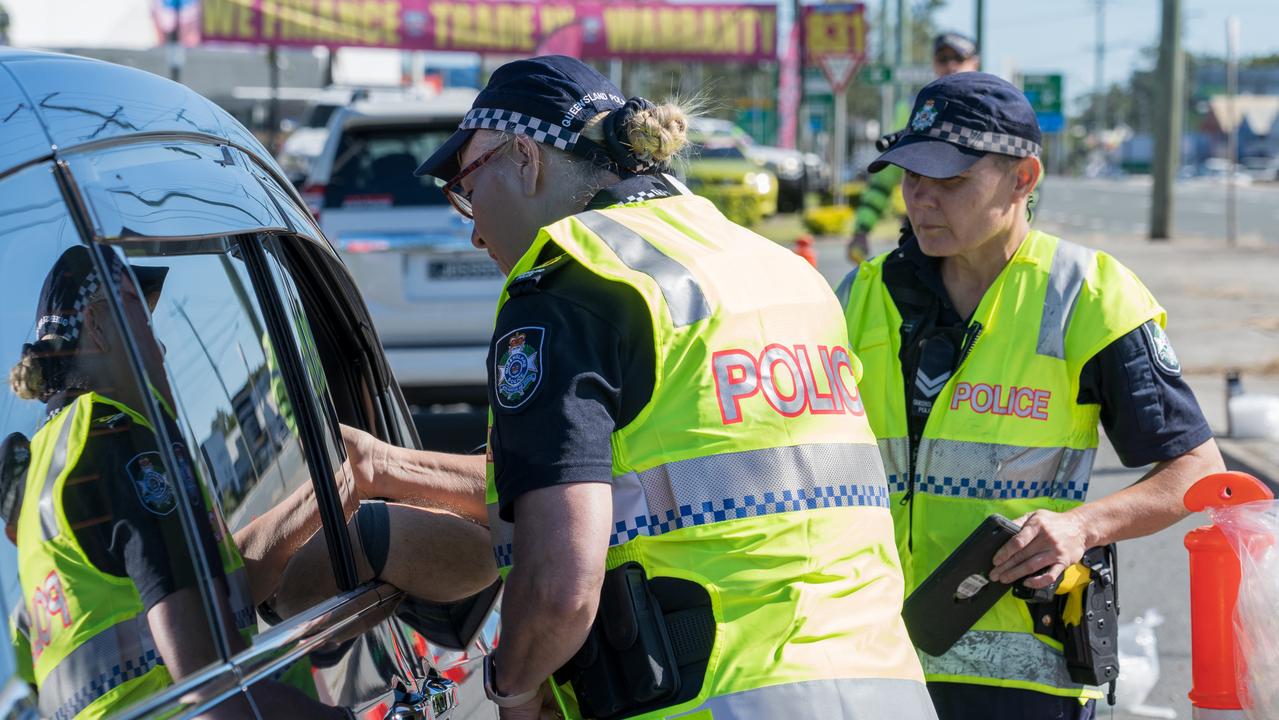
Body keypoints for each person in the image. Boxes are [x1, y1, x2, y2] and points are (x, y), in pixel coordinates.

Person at [341, 54, 938, 720]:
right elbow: (673, 477)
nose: (475, 228)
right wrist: (386, 464)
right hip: (884, 689)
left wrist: (511, 688)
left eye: (467, 188)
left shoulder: (574, 284)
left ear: (523, 157)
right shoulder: (778, 270)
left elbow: (561, 586)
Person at [837, 72, 1226, 720]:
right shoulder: (858, 294)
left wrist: (1081, 526)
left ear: (1023, 178)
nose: (922, 200)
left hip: (1028, 684)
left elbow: (1196, 472)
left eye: (951, 181)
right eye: (910, 177)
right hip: (876, 666)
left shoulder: (1089, 294)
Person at [3, 246, 389, 718]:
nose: (161, 348)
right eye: (144, 322)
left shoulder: (47, 467)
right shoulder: (119, 439)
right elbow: (214, 691)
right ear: (101, 325)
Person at [847, 32, 981, 264]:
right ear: (933, 64)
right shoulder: (917, 108)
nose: (950, 66)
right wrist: (862, 229)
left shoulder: (993, 107)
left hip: (979, 237)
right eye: (942, 59)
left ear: (975, 62)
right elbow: (885, 177)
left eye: (958, 59)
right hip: (920, 231)